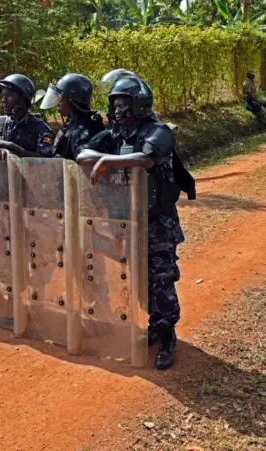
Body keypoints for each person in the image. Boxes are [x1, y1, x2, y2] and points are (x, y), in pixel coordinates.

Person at [76, 69, 194, 371]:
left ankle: (167, 336)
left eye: (123, 102)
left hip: (158, 223)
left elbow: (146, 159)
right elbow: (81, 153)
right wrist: (99, 156)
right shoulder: (116, 135)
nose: (117, 109)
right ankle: (153, 326)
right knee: (138, 279)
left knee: (160, 280)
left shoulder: (159, 131)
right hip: (127, 221)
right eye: (114, 102)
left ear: (140, 103)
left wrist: (105, 160)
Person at [39, 73, 105, 160]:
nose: (57, 103)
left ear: (72, 102)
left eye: (61, 98)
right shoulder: (71, 124)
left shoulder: (84, 130)